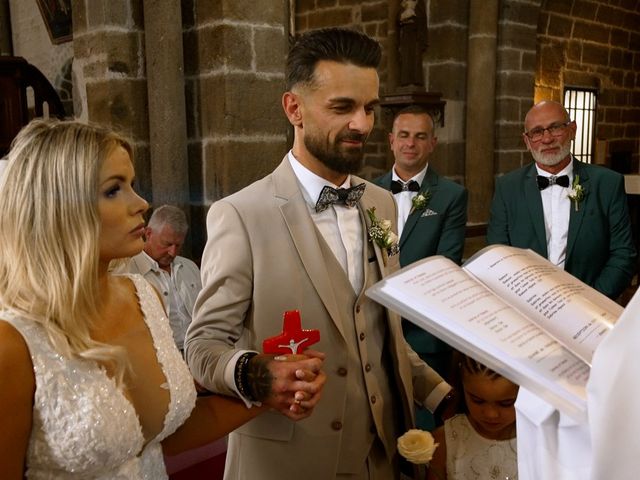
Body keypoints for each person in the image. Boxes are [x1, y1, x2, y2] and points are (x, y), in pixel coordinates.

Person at [185, 27, 453, 480]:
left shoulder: (380, 203)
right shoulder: (241, 215)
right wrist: (254, 373)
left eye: (369, 108)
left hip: (382, 459)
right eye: (342, 107)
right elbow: (202, 345)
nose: (363, 124)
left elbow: (378, 334)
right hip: (288, 461)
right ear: (295, 109)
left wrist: (443, 395)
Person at [0, 119, 325, 479]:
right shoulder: (13, 342)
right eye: (113, 190)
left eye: (132, 186)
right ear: (58, 210)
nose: (141, 203)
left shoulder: (143, 296)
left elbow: (157, 436)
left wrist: (268, 389)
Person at [487, 100, 637, 480]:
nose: (547, 138)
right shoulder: (507, 187)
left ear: (571, 130)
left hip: (593, 327)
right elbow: (497, 256)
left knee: (585, 419)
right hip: (527, 327)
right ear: (526, 140)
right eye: (537, 131)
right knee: (531, 415)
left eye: (554, 127)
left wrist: (586, 308)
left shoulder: (605, 183)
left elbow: (623, 254)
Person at [374, 105, 467, 431]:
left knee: (425, 431)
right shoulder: (366, 191)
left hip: (424, 332)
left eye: (420, 136)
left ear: (432, 144)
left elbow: (445, 264)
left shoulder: (452, 196)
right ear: (391, 141)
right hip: (374, 328)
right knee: (381, 424)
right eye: (403, 135)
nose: (410, 143)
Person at [118, 204, 201, 352]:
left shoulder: (190, 267)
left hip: (198, 351)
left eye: (178, 245)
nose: (172, 252)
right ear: (148, 233)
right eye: (167, 244)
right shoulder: (128, 271)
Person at [427, 354, 518, 480]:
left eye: (505, 403)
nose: (490, 414)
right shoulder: (444, 442)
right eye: (477, 401)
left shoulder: (542, 440)